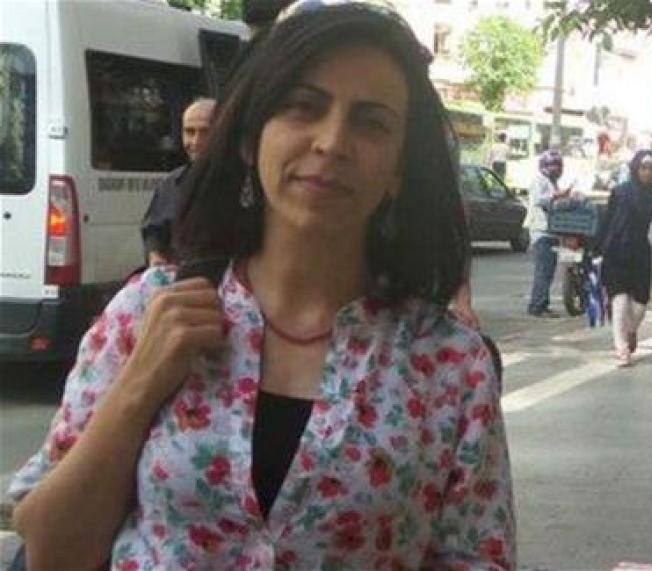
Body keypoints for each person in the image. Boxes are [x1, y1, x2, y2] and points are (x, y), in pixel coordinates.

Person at [8, 3, 515, 569]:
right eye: (303, 107)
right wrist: (140, 383)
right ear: (251, 139)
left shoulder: (450, 366)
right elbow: (52, 554)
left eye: (371, 123)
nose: (332, 141)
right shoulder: (147, 310)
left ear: (399, 169)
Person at [597, 150, 652, 367]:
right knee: (619, 301)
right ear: (635, 168)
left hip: (640, 252)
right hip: (616, 251)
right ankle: (622, 349)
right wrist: (596, 247)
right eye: (643, 167)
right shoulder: (620, 192)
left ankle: (631, 330)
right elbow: (606, 221)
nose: (647, 172)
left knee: (640, 306)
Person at [140, 98, 215, 266]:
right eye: (190, 132)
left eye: (206, 132)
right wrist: (155, 255)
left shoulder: (244, 184)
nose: (196, 142)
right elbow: (154, 230)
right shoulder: (171, 184)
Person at [523, 149, 574, 317]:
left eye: (558, 166)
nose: (556, 169)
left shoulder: (551, 182)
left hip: (550, 232)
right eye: (553, 166)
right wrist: (557, 195)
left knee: (548, 271)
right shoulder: (540, 181)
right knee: (544, 271)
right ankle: (538, 306)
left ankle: (541, 304)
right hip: (541, 232)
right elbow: (540, 200)